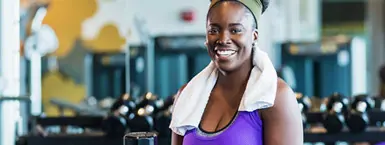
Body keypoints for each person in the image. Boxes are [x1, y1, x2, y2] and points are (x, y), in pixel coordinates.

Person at [169, 0, 303, 145]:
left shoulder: (276, 98)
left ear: (254, 36)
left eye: (235, 30)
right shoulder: (186, 96)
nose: (223, 39)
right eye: (214, 30)